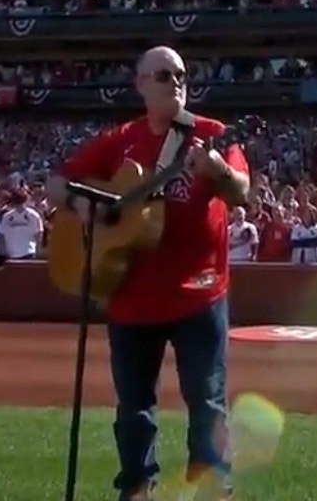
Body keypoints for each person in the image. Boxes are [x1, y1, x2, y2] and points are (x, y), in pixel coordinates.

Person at [47, 46, 250, 501]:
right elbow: (57, 182)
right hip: (131, 295)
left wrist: (217, 170)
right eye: (162, 74)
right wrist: (85, 205)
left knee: (207, 401)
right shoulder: (120, 140)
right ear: (140, 84)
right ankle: (137, 486)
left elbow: (242, 191)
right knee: (135, 406)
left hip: (198, 293)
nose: (174, 80)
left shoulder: (210, 134)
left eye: (180, 73)